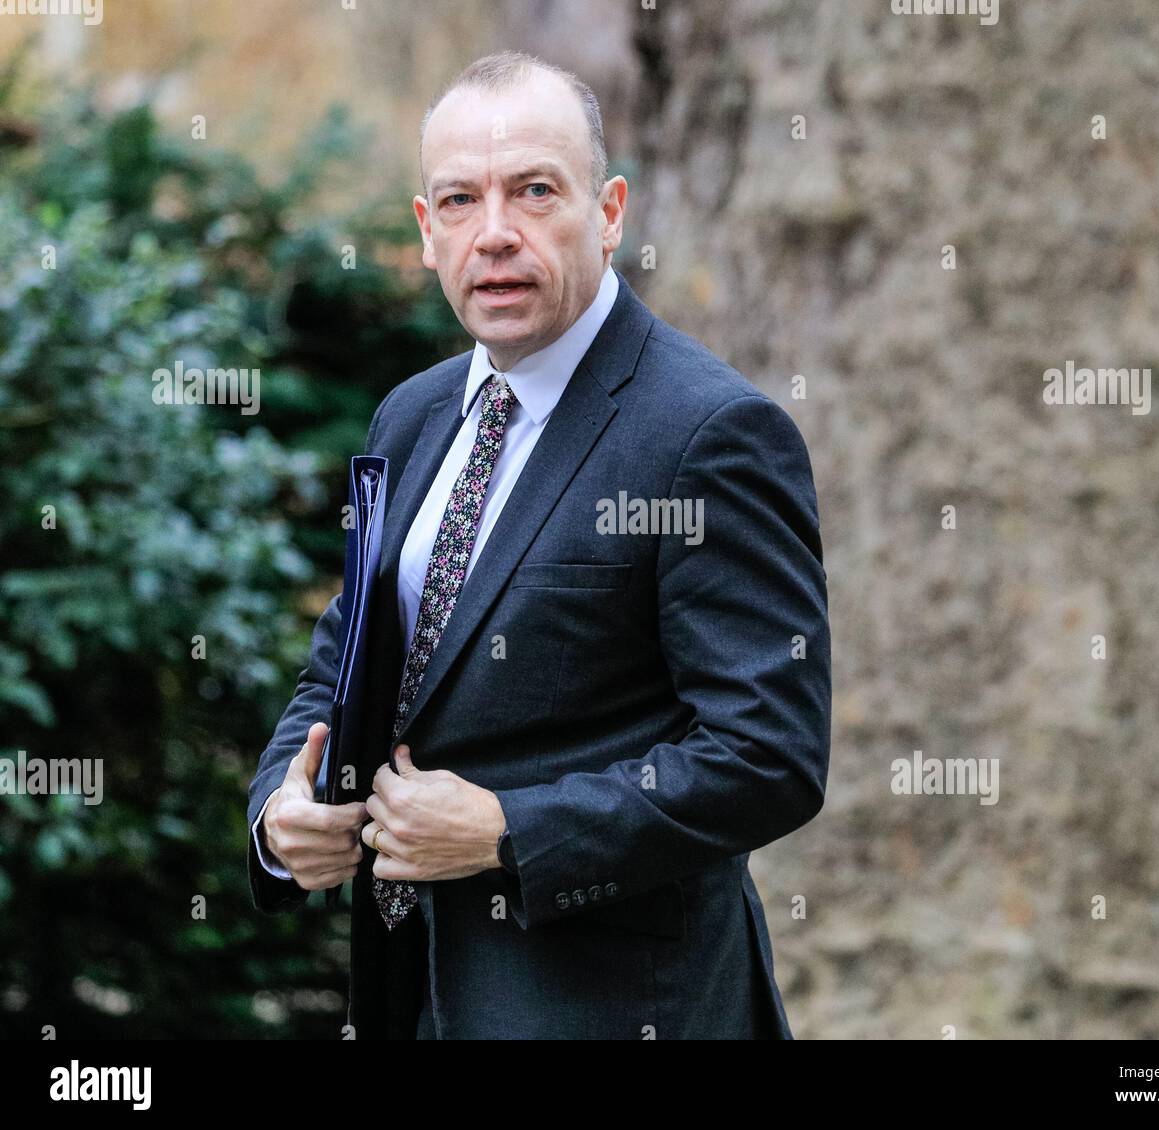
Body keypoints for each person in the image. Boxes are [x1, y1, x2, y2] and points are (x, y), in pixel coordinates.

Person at [246, 49, 831, 1039]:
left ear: (608, 212)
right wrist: (280, 809)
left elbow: (767, 754)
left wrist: (509, 830)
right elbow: (339, 667)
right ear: (428, 233)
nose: (497, 234)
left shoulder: (708, 433)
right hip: (411, 994)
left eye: (534, 191)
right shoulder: (411, 416)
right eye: (462, 201)